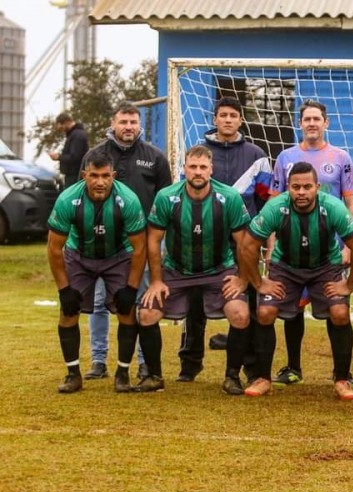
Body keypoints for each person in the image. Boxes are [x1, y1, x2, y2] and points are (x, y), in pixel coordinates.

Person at [239, 162, 353, 399]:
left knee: (339, 312)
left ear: (317, 187)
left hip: (325, 267)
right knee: (265, 312)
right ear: (287, 187)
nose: (301, 192)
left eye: (307, 186)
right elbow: (247, 246)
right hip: (286, 267)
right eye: (295, 187)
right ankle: (263, 378)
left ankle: (342, 379)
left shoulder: (333, 207)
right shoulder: (275, 207)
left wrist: (349, 285)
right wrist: (258, 283)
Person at [138, 145, 252, 394]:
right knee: (146, 314)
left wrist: (243, 279)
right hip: (176, 271)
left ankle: (232, 376)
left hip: (218, 271)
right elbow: (153, 241)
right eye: (193, 167)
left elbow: (244, 242)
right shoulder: (167, 197)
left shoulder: (229, 197)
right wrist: (156, 281)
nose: (197, 172)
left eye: (202, 167)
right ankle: (154, 376)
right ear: (184, 169)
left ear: (211, 169)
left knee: (241, 314)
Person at [176, 96, 273, 382]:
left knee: (247, 301)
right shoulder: (199, 153)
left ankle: (249, 366)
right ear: (214, 119)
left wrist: (260, 236)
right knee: (195, 303)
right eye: (223, 115)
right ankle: (190, 364)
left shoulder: (256, 154)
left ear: (240, 120)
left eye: (233, 115)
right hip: (203, 240)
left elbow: (265, 199)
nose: (228, 119)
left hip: (245, 239)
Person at [268, 100, 353, 386]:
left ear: (326, 123)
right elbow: (274, 201)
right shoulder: (285, 157)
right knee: (292, 307)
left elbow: (351, 199)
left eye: (316, 119)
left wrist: (348, 244)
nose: (311, 123)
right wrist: (272, 246)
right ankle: (293, 367)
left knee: (336, 307)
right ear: (300, 123)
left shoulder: (341, 156)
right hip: (292, 248)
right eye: (306, 119)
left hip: (328, 250)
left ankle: (341, 372)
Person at [81, 102, 172, 381]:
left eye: (133, 122)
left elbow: (165, 201)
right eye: (124, 122)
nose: (129, 127)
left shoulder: (155, 157)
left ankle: (145, 362)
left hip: (141, 244)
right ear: (113, 123)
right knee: (99, 303)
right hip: (103, 243)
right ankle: (98, 360)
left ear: (139, 124)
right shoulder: (95, 155)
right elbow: (82, 196)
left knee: (142, 303)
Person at [46, 151, 147, 393]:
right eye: (93, 176)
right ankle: (73, 374)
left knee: (127, 310)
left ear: (113, 175)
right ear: (84, 175)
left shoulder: (129, 200)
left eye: (105, 176)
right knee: (68, 312)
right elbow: (54, 248)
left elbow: (140, 247)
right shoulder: (68, 199)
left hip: (118, 256)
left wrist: (131, 288)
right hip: (79, 257)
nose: (99, 182)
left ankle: (122, 374)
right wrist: (64, 290)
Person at [50, 113, 88, 191]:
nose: (61, 130)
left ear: (67, 122)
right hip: (73, 175)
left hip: (75, 176)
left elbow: (75, 157)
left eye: (61, 126)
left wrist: (59, 157)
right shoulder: (74, 135)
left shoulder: (77, 135)